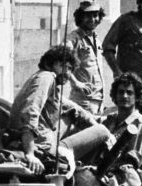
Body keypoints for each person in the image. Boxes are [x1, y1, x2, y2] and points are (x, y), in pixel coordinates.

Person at [6, 47, 96, 175]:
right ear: (49, 64)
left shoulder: (44, 81)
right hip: (42, 147)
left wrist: (95, 120)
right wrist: (30, 153)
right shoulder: (46, 77)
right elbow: (30, 111)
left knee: (73, 113)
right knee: (102, 132)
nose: (66, 72)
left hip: (44, 141)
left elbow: (72, 108)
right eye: (62, 66)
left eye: (70, 68)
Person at [58, 0, 107, 114]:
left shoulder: (96, 39)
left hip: (99, 100)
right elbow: (60, 58)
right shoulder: (74, 38)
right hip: (83, 101)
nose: (92, 19)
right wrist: (75, 82)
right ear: (80, 17)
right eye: (88, 16)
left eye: (95, 15)